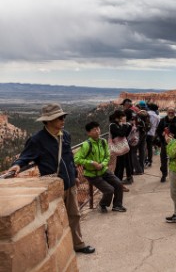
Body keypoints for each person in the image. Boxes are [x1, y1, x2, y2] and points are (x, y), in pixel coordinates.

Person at [8, 103, 95, 254]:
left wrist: (74, 175)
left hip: (69, 184)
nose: (63, 120)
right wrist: (17, 165)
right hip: (53, 187)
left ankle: (78, 244)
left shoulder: (65, 135)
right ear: (48, 121)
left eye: (63, 117)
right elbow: (25, 157)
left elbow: (69, 158)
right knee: (53, 219)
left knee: (74, 215)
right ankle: (56, 249)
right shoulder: (37, 140)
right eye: (59, 118)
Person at [74, 121, 126, 213]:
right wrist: (92, 162)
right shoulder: (86, 145)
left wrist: (102, 164)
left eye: (98, 129)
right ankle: (103, 204)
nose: (97, 131)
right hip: (92, 174)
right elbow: (76, 159)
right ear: (89, 133)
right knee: (109, 190)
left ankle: (117, 205)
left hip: (103, 170)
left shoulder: (103, 142)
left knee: (118, 184)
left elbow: (107, 156)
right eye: (94, 130)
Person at [156, 107, 176, 183]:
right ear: (167, 112)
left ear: (175, 112)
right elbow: (158, 130)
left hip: (175, 143)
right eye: (169, 112)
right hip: (164, 143)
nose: (170, 113)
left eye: (172, 112)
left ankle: (174, 176)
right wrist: (162, 134)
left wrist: (175, 135)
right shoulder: (162, 120)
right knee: (163, 159)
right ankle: (164, 174)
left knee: (175, 160)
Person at [111, 110, 132, 187]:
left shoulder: (119, 125)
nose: (123, 119)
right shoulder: (113, 125)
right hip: (118, 147)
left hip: (122, 147)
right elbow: (122, 134)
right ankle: (118, 182)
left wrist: (129, 126)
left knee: (122, 164)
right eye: (122, 117)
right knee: (119, 165)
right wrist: (125, 125)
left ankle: (119, 182)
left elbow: (125, 134)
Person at [145, 103, 161, 168]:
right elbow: (158, 126)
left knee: (144, 147)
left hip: (144, 132)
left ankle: (144, 160)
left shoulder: (146, 113)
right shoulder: (157, 117)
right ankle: (149, 161)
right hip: (152, 133)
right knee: (149, 147)